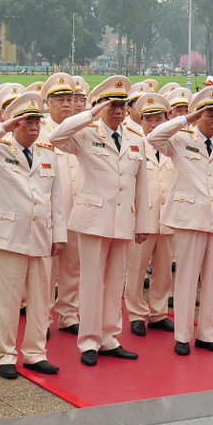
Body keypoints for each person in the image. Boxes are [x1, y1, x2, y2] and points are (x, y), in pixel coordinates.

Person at [0, 92, 66, 378]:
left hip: (39, 235)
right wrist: (2, 128)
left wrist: (59, 234)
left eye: (37, 122)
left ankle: (35, 353)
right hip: (9, 235)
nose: (34, 128)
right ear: (14, 124)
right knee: (8, 300)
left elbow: (55, 198)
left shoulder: (47, 153)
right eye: (27, 122)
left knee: (39, 299)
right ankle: (4, 354)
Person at [50, 76, 149, 367]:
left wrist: (141, 222)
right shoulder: (86, 133)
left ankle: (109, 337)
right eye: (112, 105)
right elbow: (57, 136)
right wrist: (89, 114)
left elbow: (141, 186)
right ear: (100, 106)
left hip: (122, 221)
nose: (118, 111)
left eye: (122, 105)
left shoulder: (135, 139)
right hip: (93, 219)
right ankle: (89, 341)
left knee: (116, 280)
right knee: (91, 282)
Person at [147, 86, 213, 355]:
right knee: (186, 278)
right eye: (208, 115)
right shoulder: (181, 139)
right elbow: (154, 136)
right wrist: (185, 119)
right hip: (189, 219)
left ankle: (208, 334)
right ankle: (183, 335)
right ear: (197, 115)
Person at [124, 93, 175, 337]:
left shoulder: (174, 144)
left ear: (167, 119)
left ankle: (159, 312)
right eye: (148, 120)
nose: (153, 125)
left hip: (167, 217)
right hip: (140, 219)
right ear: (141, 122)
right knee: (136, 269)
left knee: (164, 270)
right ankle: (135, 313)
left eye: (158, 119)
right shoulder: (132, 144)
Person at [39, 73, 83, 335]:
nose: (67, 104)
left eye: (71, 99)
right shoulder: (39, 131)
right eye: (60, 100)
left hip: (77, 209)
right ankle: (42, 318)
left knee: (73, 266)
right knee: (46, 271)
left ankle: (68, 313)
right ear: (48, 103)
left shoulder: (81, 130)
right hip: (48, 212)